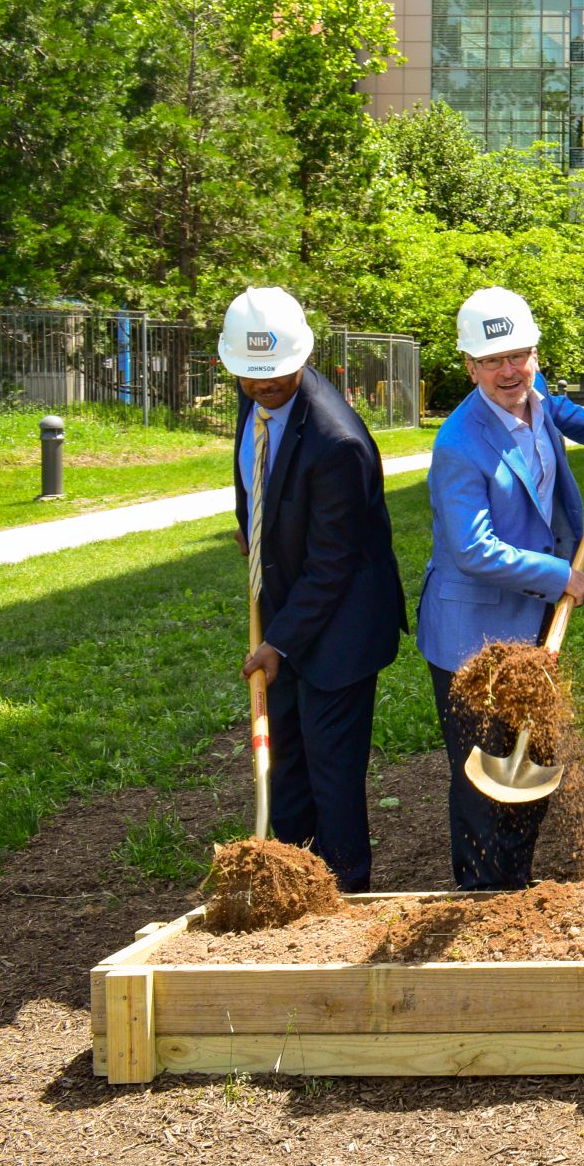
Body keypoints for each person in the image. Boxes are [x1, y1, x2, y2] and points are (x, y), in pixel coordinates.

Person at [415, 287, 584, 889]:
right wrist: (560, 576)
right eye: (492, 361)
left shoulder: (533, 400)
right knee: (483, 773)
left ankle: (518, 882)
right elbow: (473, 548)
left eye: (519, 355)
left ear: (535, 353)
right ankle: (482, 892)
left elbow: (560, 409)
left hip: (533, 622)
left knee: (530, 757)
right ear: (470, 366)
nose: (509, 371)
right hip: (472, 635)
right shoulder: (459, 444)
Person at [220, 286, 406, 892]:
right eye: (251, 377)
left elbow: (334, 565)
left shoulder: (338, 442)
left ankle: (346, 891)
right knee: (289, 767)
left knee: (332, 775)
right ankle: (291, 885)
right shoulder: (256, 399)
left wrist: (279, 644)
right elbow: (254, 470)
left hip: (341, 629)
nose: (263, 387)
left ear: (302, 357)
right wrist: (251, 526)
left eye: (274, 376)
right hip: (290, 610)